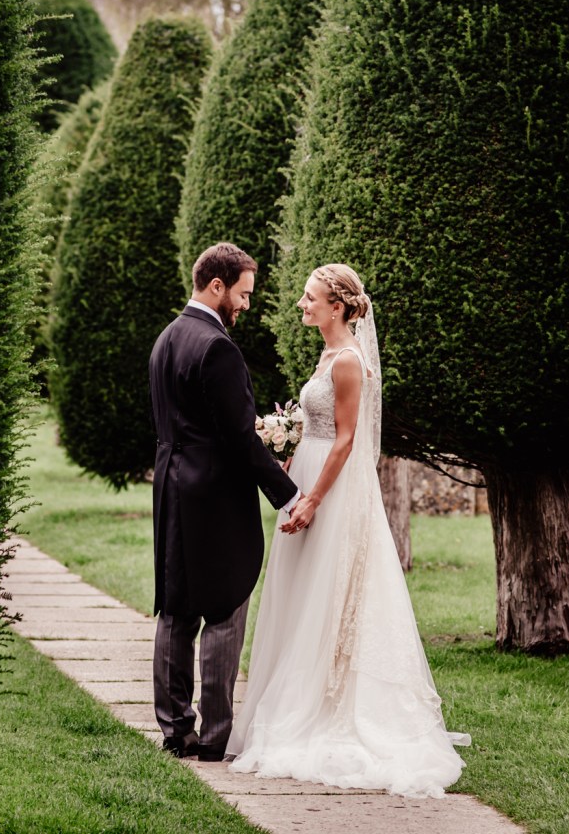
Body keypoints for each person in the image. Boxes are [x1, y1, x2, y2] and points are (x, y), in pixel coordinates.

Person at [227, 264, 470, 796]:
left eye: (310, 298)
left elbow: (345, 440)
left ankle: (327, 708)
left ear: (336, 307)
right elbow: (316, 431)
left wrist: (314, 498)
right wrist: (290, 462)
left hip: (332, 490)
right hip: (309, 473)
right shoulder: (326, 354)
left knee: (330, 593)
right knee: (301, 594)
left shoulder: (349, 363)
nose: (302, 305)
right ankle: (296, 695)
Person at [148, 242, 299, 762]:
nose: (246, 305)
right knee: (225, 608)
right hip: (214, 495)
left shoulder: (166, 339)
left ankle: (176, 732)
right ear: (217, 285)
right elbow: (239, 438)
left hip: (170, 488)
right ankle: (214, 738)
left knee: (176, 606)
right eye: (244, 293)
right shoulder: (218, 347)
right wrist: (288, 494)